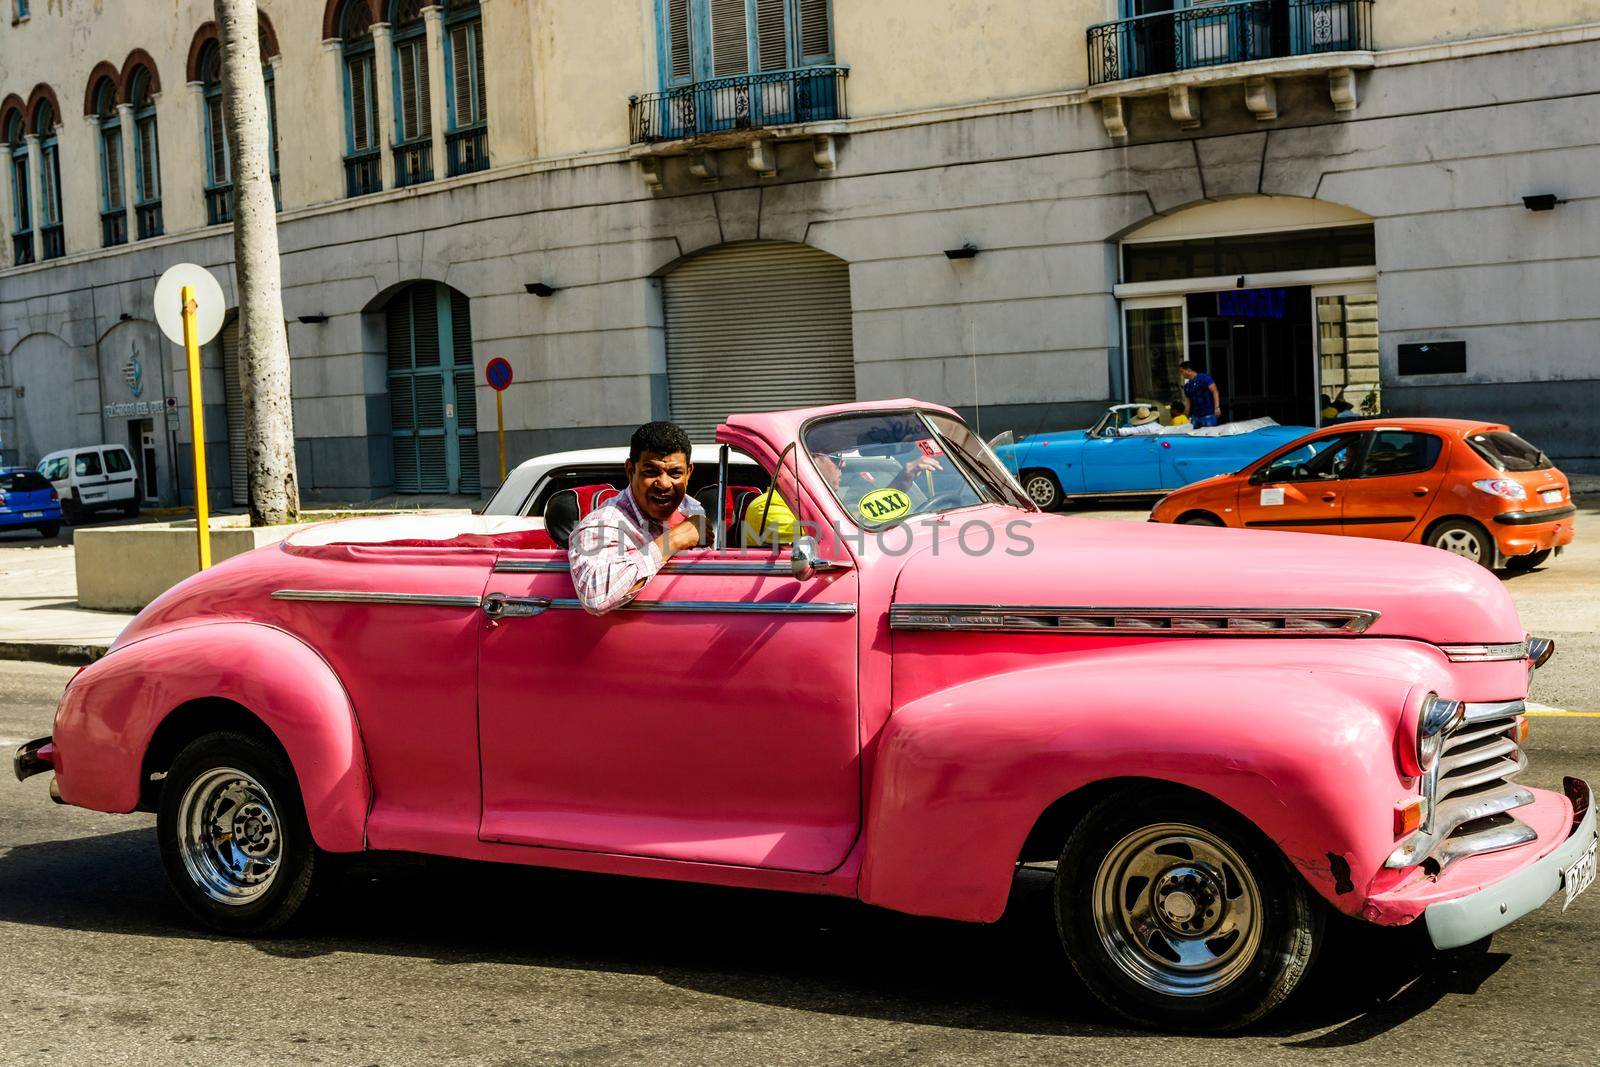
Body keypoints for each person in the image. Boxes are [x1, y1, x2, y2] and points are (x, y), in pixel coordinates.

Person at [568, 421, 705, 614]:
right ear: (631, 470)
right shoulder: (604, 523)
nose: (664, 484)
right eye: (651, 472)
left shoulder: (692, 508)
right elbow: (595, 595)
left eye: (675, 473)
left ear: (689, 472)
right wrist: (673, 540)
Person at [1179, 361, 1222, 427]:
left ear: (1188, 370)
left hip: (1208, 415)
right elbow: (1188, 401)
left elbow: (1215, 391)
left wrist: (1217, 407)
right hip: (1195, 417)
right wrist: (1186, 412)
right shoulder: (1187, 386)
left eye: (1182, 371)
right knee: (1197, 436)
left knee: (1209, 435)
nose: (1181, 374)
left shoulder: (1204, 378)